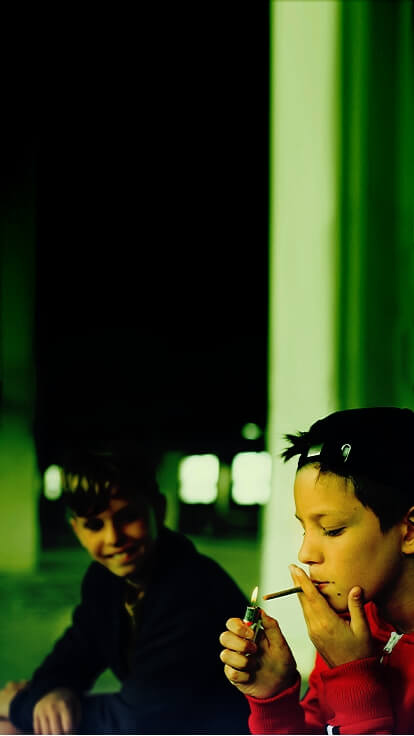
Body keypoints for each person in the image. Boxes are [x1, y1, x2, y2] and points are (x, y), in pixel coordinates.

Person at [0, 442, 250, 735]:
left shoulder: (192, 589)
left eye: (128, 517)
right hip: (160, 721)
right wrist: (48, 692)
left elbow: (138, 719)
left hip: (214, 728)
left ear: (159, 508)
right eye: (94, 525)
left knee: (10, 728)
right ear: (76, 530)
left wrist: (18, 704)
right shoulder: (104, 578)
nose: (113, 537)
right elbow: (76, 651)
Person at [219, 407, 414, 734]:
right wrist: (273, 698)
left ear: (408, 531)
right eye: (304, 529)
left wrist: (354, 675)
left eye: (333, 530)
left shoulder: (346, 646)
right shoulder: (352, 630)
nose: (305, 554)